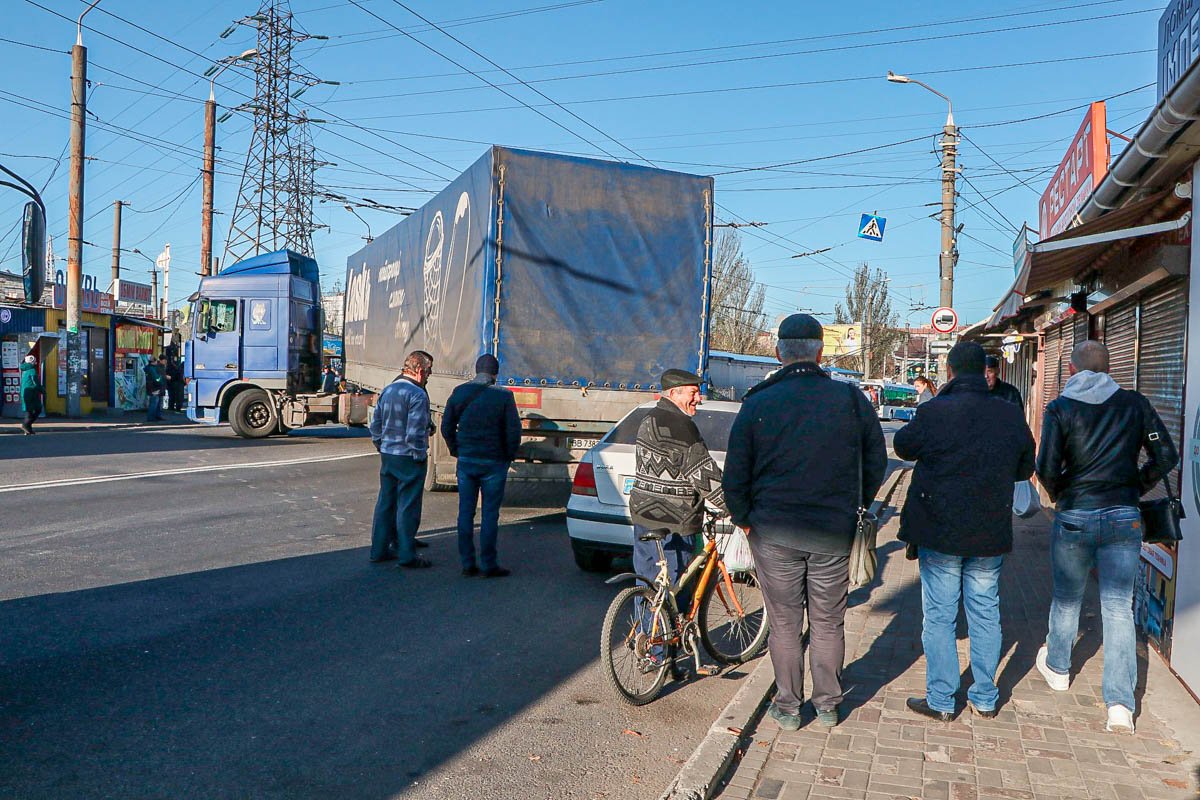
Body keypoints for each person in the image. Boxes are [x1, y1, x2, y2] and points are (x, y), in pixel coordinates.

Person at [723, 314, 887, 730]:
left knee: (783, 622)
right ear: (820, 351)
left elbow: (736, 473)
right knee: (829, 620)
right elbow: (876, 462)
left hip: (773, 531)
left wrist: (743, 519)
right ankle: (829, 704)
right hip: (833, 531)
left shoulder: (759, 402)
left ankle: (789, 707)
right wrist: (857, 506)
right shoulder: (850, 400)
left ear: (779, 353)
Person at [1035, 340, 1178, 733]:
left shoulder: (1060, 408)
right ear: (1109, 369)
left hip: (1075, 514)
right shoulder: (1134, 404)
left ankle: (1058, 668)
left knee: (1067, 598)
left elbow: (1045, 466)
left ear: (1072, 370)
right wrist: (1134, 484)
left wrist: (1062, 492)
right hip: (1123, 516)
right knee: (1118, 608)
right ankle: (1119, 705)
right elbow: (1165, 456)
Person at [893, 341, 1035, 722]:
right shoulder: (1008, 415)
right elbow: (1025, 468)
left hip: (940, 532)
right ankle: (985, 697)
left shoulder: (935, 411)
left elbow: (903, 446)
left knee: (940, 616)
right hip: (989, 532)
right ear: (985, 372)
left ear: (951, 372)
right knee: (986, 612)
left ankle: (941, 701)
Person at [629, 367, 727, 676]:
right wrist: (732, 507)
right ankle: (662, 655)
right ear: (674, 394)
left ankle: (647, 643)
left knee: (648, 582)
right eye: (693, 391)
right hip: (676, 520)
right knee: (676, 587)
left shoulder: (649, 420)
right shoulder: (683, 428)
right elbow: (706, 477)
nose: (699, 397)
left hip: (644, 514)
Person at [441, 354, 521, 578]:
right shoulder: (504, 396)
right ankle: (488, 564)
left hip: (467, 461)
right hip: (494, 463)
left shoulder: (460, 393)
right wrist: (508, 455)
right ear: (495, 373)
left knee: (465, 513)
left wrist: (456, 450)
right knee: (489, 515)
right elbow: (513, 432)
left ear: (476, 371)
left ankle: (467, 563)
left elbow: (446, 427)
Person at [369, 350, 435, 569]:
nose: (429, 375)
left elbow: (375, 424)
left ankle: (378, 550)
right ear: (420, 370)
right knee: (408, 506)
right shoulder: (417, 394)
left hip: (389, 454)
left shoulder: (389, 390)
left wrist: (381, 445)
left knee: (386, 503)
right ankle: (407, 554)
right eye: (428, 371)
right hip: (408, 457)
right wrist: (419, 454)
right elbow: (415, 432)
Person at [20, 355, 44, 436]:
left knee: (29, 411)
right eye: (34, 361)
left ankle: (28, 429)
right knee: (37, 409)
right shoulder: (32, 370)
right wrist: (42, 390)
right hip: (32, 393)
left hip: (25, 393)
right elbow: (36, 383)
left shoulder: (24, 370)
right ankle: (25, 425)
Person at [144, 356, 166, 423]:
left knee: (155, 402)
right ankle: (151, 417)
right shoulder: (152, 369)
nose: (157, 362)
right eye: (156, 361)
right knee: (154, 403)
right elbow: (156, 378)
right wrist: (161, 379)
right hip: (154, 388)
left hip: (152, 387)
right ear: (153, 362)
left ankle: (154, 416)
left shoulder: (149, 368)